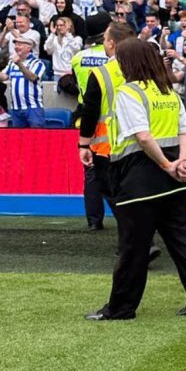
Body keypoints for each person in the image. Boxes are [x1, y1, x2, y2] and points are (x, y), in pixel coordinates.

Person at [86, 39, 186, 320]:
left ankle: (121, 308)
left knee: (133, 246)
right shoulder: (169, 93)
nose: (117, 64)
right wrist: (181, 162)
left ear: (130, 62)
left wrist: (167, 164)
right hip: (174, 179)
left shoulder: (129, 92)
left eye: (120, 59)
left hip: (139, 179)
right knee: (182, 239)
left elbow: (142, 136)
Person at [75, 22, 138, 232]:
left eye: (105, 39)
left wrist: (83, 144)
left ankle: (136, 238)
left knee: (111, 190)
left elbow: (90, 111)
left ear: (111, 43)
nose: (103, 42)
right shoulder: (142, 68)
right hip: (142, 140)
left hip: (108, 144)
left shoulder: (101, 73)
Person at [1, 35, 46, 127]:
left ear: (28, 48)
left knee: (37, 138)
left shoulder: (37, 63)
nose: (16, 47)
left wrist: (19, 64)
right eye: (16, 45)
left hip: (33, 109)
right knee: (19, 140)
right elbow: (4, 77)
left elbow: (33, 77)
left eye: (20, 44)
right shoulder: (11, 63)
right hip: (16, 109)